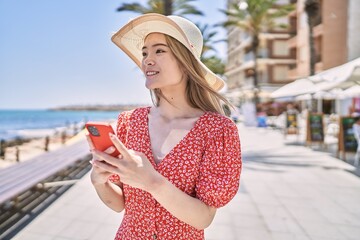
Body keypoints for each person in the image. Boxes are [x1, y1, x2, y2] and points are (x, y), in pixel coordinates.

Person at [87, 13, 242, 240]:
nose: (147, 59)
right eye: (144, 52)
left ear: (185, 61)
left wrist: (152, 182)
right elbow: (120, 204)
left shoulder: (217, 130)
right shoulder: (130, 122)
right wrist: (98, 181)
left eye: (159, 50)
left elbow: (204, 218)